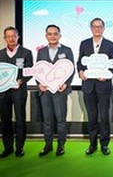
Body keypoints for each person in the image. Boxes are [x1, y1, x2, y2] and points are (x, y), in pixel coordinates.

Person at [77, 18, 113, 156]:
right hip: (88, 86)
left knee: (104, 116)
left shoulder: (110, 45)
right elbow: (80, 63)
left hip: (104, 86)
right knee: (92, 116)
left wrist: (108, 75)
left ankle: (105, 144)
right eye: (94, 26)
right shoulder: (84, 44)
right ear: (91, 28)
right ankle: (92, 144)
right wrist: (81, 72)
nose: (97, 29)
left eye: (100, 26)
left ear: (103, 28)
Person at [36, 24, 74, 156]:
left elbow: (71, 70)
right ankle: (48, 145)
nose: (52, 36)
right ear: (46, 36)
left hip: (60, 90)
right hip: (45, 91)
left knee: (60, 119)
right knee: (47, 119)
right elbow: (38, 70)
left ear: (60, 35)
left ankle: (61, 145)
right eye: (50, 34)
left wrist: (66, 84)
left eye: (55, 33)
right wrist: (39, 84)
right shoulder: (41, 51)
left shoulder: (67, 50)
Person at [0, 26, 33, 158]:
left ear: (18, 37)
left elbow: (30, 71)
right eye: (8, 36)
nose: (11, 39)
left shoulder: (26, 53)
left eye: (14, 36)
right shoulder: (0, 54)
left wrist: (21, 80)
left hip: (19, 91)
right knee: (5, 120)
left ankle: (19, 147)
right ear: (4, 38)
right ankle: (8, 147)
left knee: (20, 120)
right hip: (3, 92)